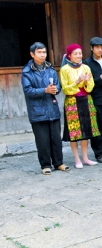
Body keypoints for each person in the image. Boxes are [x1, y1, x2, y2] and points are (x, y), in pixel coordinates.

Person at [21, 42, 70, 175]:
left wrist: (55, 89)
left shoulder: (50, 69)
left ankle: (58, 163)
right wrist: (45, 90)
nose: (43, 55)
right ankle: (45, 165)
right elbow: (28, 90)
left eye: (44, 52)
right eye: (39, 52)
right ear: (32, 54)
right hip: (37, 111)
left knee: (56, 139)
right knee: (43, 141)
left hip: (52, 109)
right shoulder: (27, 71)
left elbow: (58, 87)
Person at [59, 43, 100, 169]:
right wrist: (77, 82)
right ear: (69, 56)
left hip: (86, 100)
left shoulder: (86, 67)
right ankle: (77, 159)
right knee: (74, 132)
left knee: (86, 131)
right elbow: (65, 89)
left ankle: (86, 158)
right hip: (72, 101)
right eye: (75, 54)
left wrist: (87, 82)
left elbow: (91, 85)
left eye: (80, 53)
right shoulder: (64, 69)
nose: (78, 56)